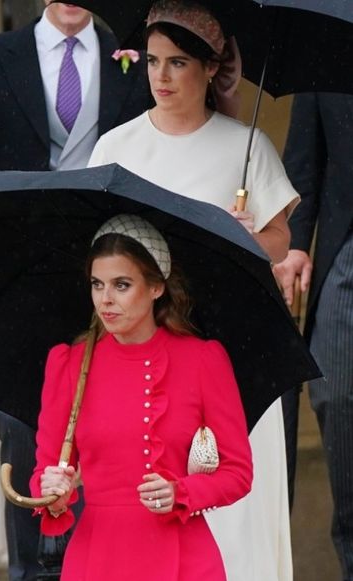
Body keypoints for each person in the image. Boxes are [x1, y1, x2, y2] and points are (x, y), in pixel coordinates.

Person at [87, 1, 299, 578]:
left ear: (210, 69)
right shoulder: (115, 148)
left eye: (177, 63)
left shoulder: (247, 145)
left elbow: (280, 239)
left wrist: (248, 238)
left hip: (231, 342)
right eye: (153, 61)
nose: (161, 76)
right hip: (144, 354)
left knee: (233, 503)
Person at [0, 3, 149, 576]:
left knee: (108, 423)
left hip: (108, 272)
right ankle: (34, 568)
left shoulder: (133, 60)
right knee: (25, 424)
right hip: (18, 277)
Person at [31, 213, 253, 580]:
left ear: (156, 288)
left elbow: (238, 472)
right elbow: (47, 470)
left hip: (184, 558)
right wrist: (52, 492)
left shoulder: (202, 360)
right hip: (97, 558)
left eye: (121, 285)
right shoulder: (69, 364)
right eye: (97, 284)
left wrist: (182, 491)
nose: (105, 300)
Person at [275, 92, 353, 579]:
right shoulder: (327, 51)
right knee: (335, 394)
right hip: (347, 248)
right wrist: (296, 243)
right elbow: (305, 156)